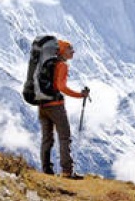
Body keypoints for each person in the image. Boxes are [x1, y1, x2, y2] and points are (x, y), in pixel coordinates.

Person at [38, 39, 90, 180]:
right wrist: (80, 95)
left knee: (47, 138)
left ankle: (46, 171)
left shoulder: (47, 64)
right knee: (64, 136)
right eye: (69, 49)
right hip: (56, 106)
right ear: (62, 51)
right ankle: (67, 171)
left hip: (42, 105)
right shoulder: (62, 65)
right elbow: (61, 87)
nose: (73, 51)